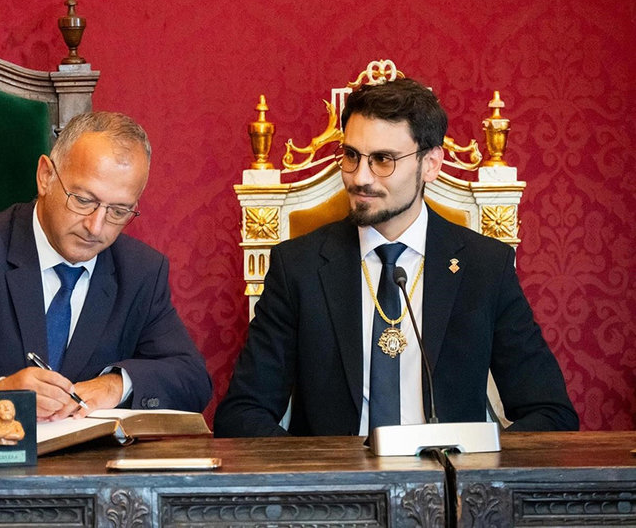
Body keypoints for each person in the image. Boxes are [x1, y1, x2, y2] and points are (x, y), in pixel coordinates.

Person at [214, 78, 578, 438]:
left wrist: (476, 463)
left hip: (449, 488)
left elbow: (551, 413)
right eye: (352, 156)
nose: (360, 177)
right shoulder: (299, 267)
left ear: (431, 164)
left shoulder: (484, 266)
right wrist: (318, 475)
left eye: (383, 160)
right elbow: (241, 415)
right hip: (337, 489)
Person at [0, 111, 212, 429]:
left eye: (119, 211)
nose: (96, 227)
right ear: (46, 176)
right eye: (83, 200)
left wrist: (116, 385)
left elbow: (192, 379)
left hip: (91, 478)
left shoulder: (140, 271)